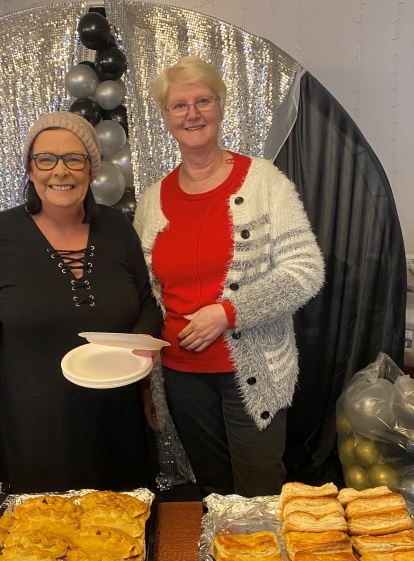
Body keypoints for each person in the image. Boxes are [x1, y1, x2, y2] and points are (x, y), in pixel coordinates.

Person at [134, 56, 325, 499]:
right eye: (179, 106)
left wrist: (228, 312)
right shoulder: (152, 201)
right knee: (212, 489)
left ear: (220, 107)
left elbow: (305, 270)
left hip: (252, 366)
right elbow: (147, 294)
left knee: (259, 491)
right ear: (165, 117)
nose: (192, 114)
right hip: (181, 375)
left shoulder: (263, 181)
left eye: (203, 101)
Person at [0, 111, 163, 494]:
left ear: (91, 170)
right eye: (45, 159)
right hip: (36, 436)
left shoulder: (117, 229)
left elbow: (147, 306)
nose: (59, 171)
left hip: (117, 426)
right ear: (30, 170)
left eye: (74, 159)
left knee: (125, 538)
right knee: (42, 544)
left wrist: (140, 350)